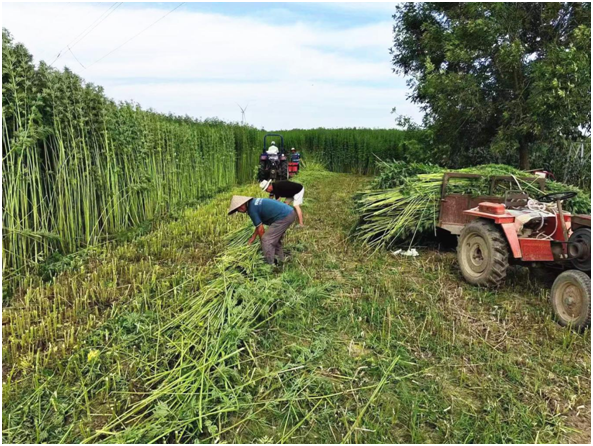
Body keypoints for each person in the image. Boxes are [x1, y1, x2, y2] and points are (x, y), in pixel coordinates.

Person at [228, 195, 296, 265]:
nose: (240, 209)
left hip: (284, 216)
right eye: (238, 209)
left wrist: (263, 243)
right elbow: (259, 225)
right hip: (288, 212)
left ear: (244, 202)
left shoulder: (252, 210)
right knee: (274, 239)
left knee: (267, 240)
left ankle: (271, 265)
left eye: (241, 206)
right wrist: (253, 237)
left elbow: (261, 229)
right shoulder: (253, 204)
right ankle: (281, 260)